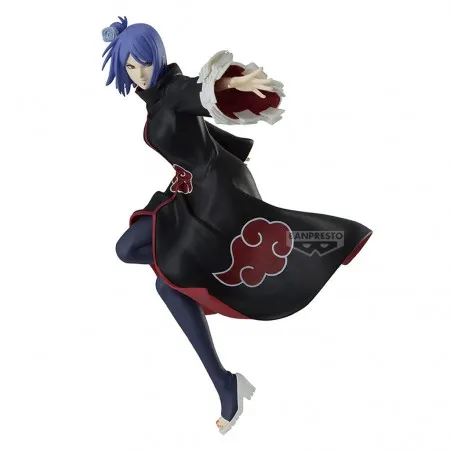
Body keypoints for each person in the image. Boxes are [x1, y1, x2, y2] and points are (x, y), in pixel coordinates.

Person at [101, 16, 372, 434]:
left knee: (157, 269)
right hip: (190, 190)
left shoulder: (173, 90)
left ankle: (331, 239)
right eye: (130, 67)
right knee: (158, 275)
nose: (138, 74)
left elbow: (198, 93)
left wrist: (231, 84)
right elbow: (191, 127)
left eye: (144, 63)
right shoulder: (155, 97)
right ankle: (224, 376)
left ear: (159, 56)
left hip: (215, 196)